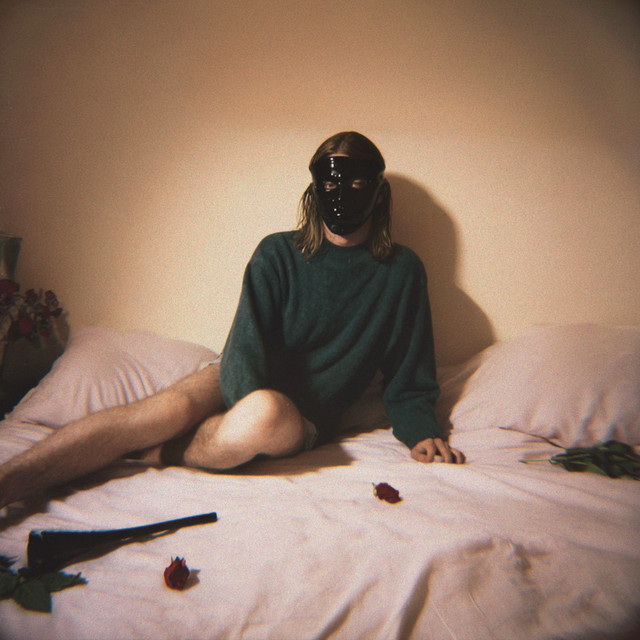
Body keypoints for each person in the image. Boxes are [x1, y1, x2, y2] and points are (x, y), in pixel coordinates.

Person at [0, 131, 463, 510]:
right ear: (314, 189)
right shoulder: (277, 252)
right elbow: (245, 346)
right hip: (236, 375)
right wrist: (231, 405)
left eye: (358, 183)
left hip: (295, 413)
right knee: (162, 412)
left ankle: (161, 452)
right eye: (330, 184)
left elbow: (409, 374)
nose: (341, 195)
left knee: (263, 414)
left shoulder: (402, 271)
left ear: (378, 193)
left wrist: (421, 431)